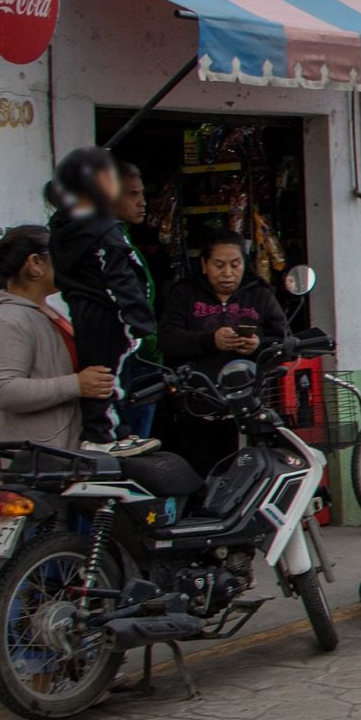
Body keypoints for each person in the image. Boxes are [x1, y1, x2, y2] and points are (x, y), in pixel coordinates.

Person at [46, 146, 157, 455]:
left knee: (105, 376)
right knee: (108, 377)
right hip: (108, 317)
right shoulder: (103, 232)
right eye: (131, 193)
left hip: (86, 313)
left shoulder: (65, 229)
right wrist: (138, 322)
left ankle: (112, 430)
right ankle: (102, 435)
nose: (141, 202)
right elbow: (118, 278)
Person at [157, 231, 290, 475]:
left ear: (244, 264)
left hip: (248, 407)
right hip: (196, 406)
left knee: (246, 476)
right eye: (219, 265)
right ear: (204, 265)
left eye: (235, 264)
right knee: (200, 476)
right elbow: (167, 340)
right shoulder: (184, 294)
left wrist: (258, 345)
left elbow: (284, 341)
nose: (227, 273)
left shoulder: (260, 295)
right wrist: (211, 340)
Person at [0, 225, 112, 452]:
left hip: (57, 454)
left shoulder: (42, 312)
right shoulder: (7, 320)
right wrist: (76, 384)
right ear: (35, 263)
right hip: (33, 466)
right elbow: (3, 391)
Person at [114, 161, 160, 440]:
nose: (142, 202)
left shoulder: (122, 242)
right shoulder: (111, 247)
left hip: (139, 357)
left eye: (141, 194)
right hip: (131, 358)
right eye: (132, 195)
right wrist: (150, 344)